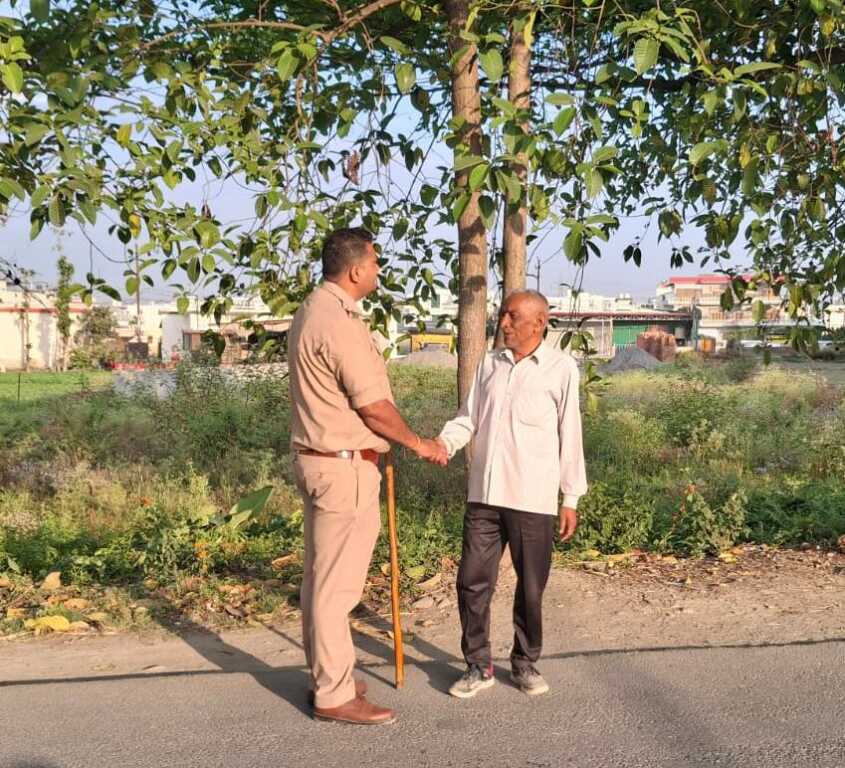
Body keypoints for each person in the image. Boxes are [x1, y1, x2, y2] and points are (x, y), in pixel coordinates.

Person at [288, 227, 446, 726]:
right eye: (376, 262)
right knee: (336, 590)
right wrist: (419, 443)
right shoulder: (339, 321)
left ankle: (328, 676)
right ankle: (333, 694)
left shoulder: (311, 309)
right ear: (357, 269)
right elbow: (374, 406)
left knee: (320, 581)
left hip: (321, 459)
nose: (378, 270)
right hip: (343, 467)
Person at [436, 290, 587, 698]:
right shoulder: (490, 364)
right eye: (503, 314)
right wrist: (443, 444)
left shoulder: (560, 368)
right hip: (484, 495)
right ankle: (477, 664)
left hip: (532, 499)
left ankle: (524, 662)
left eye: (513, 316)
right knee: (472, 581)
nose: (503, 323)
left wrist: (570, 497)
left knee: (531, 587)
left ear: (539, 323)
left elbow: (570, 433)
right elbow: (468, 418)